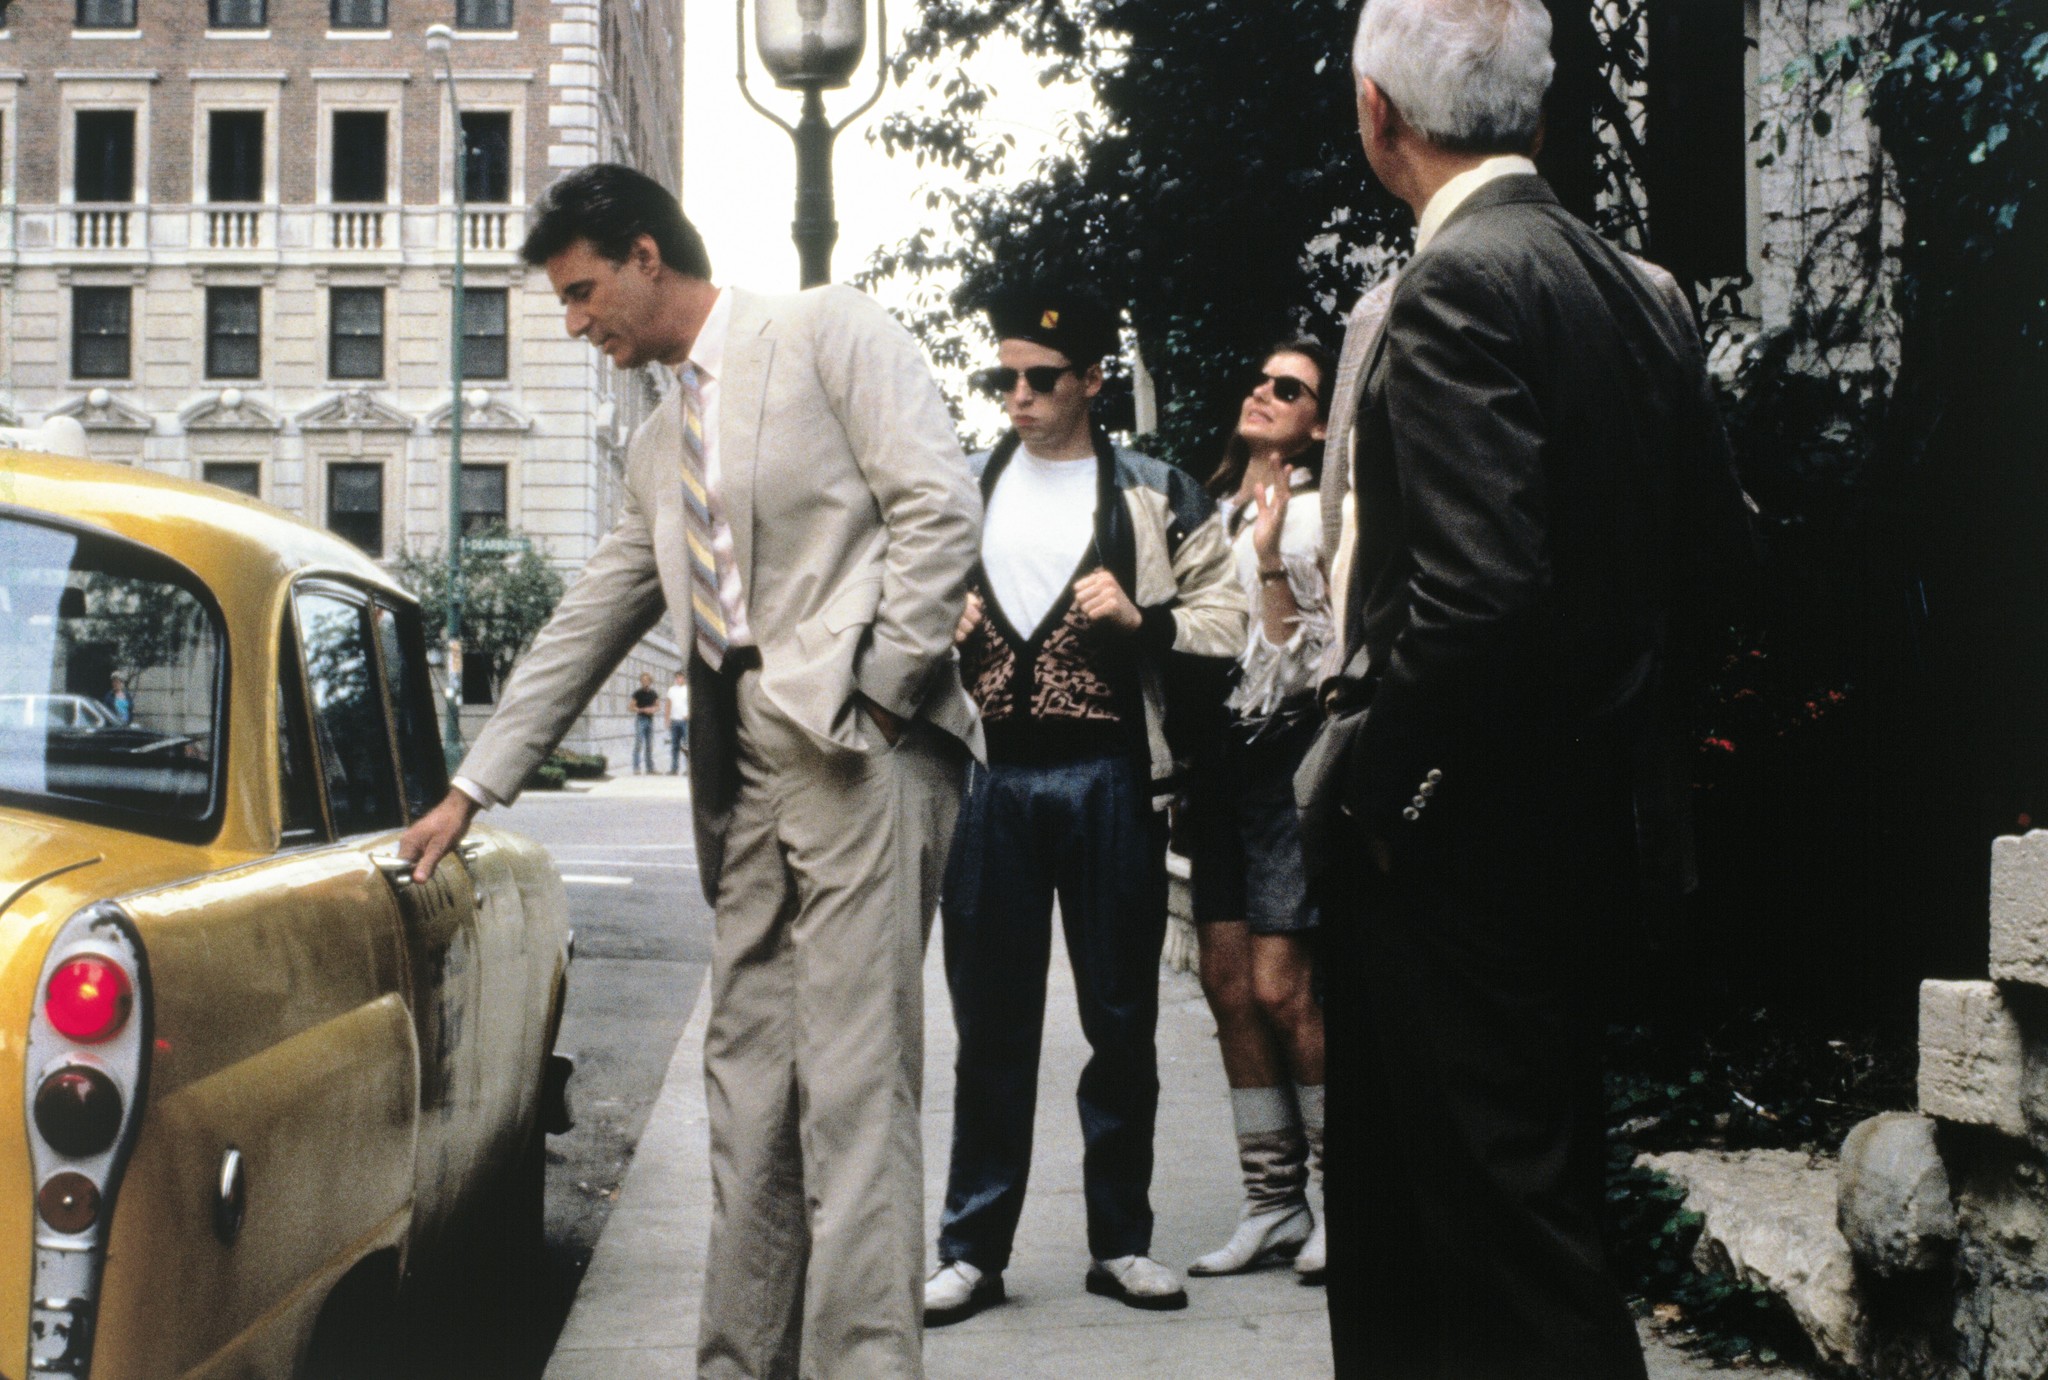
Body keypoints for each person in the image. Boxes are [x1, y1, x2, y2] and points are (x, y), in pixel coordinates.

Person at [396, 163, 983, 1380]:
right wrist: (470, 786)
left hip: (860, 748)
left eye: (580, 292)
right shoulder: (658, 443)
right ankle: (738, 1364)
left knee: (854, 1087)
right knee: (746, 1086)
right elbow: (590, 617)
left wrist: (881, 692)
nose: (575, 323)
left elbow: (937, 509)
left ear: (646, 256)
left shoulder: (826, 332)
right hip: (744, 773)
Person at [1304, 2, 1757, 1376]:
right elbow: (1720, 566)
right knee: (1481, 1220)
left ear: (1377, 112)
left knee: (1476, 1241)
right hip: (1585, 833)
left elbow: (1477, 597)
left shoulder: (1456, 285)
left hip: (1457, 853)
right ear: (1541, 114)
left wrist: (1382, 796)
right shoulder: (1638, 289)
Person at [922, 286, 1245, 1326]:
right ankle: (971, 1251)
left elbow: (1231, 618)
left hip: (1110, 773)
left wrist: (1144, 621)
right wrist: (937, 620)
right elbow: (888, 601)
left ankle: (1120, 1243)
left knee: (1120, 1020)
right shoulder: (960, 488)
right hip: (990, 779)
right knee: (990, 1025)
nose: (1017, 397)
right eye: (1003, 378)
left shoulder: (1153, 490)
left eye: (1041, 379)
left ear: (1092, 380)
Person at [1183, 340, 1336, 1283]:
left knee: (1284, 989)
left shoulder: (1319, 514)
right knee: (1229, 987)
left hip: (1283, 759)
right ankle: (1273, 1202)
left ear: (1318, 424)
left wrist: (1274, 560)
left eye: (1290, 388)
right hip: (1216, 768)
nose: (1264, 393)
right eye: (1261, 379)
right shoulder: (1210, 513)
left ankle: (1342, 1192)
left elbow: (1301, 662)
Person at [629, 670, 660, 773]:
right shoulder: (637, 693)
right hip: (641, 719)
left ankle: (650, 768)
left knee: (649, 745)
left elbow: (658, 706)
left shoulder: (653, 693)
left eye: (646, 680)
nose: (645, 682)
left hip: (650, 720)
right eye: (643, 680)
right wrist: (642, 710)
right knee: (638, 743)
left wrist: (652, 709)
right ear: (641, 682)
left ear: (650, 681)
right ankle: (636, 768)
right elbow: (631, 707)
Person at [664, 668, 690, 773]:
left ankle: (688, 769)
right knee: (674, 746)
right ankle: (674, 768)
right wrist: (667, 719)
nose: (679, 679)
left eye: (681, 677)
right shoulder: (671, 690)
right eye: (677, 677)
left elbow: (693, 704)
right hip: (674, 720)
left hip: (685, 721)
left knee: (686, 746)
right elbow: (668, 705)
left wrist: (689, 715)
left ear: (684, 678)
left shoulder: (688, 690)